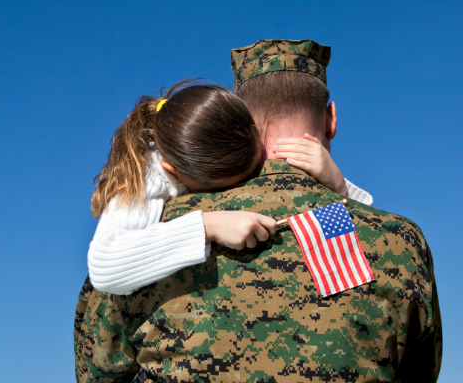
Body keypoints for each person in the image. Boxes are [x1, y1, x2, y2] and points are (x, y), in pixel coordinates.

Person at [75, 39, 442, 383]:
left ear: (235, 120)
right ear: (331, 119)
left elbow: (98, 370)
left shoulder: (146, 240)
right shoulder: (399, 241)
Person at [88, 80, 371, 296]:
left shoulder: (217, 133)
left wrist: (337, 185)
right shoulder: (150, 175)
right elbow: (104, 268)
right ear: (175, 173)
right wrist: (208, 225)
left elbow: (372, 224)